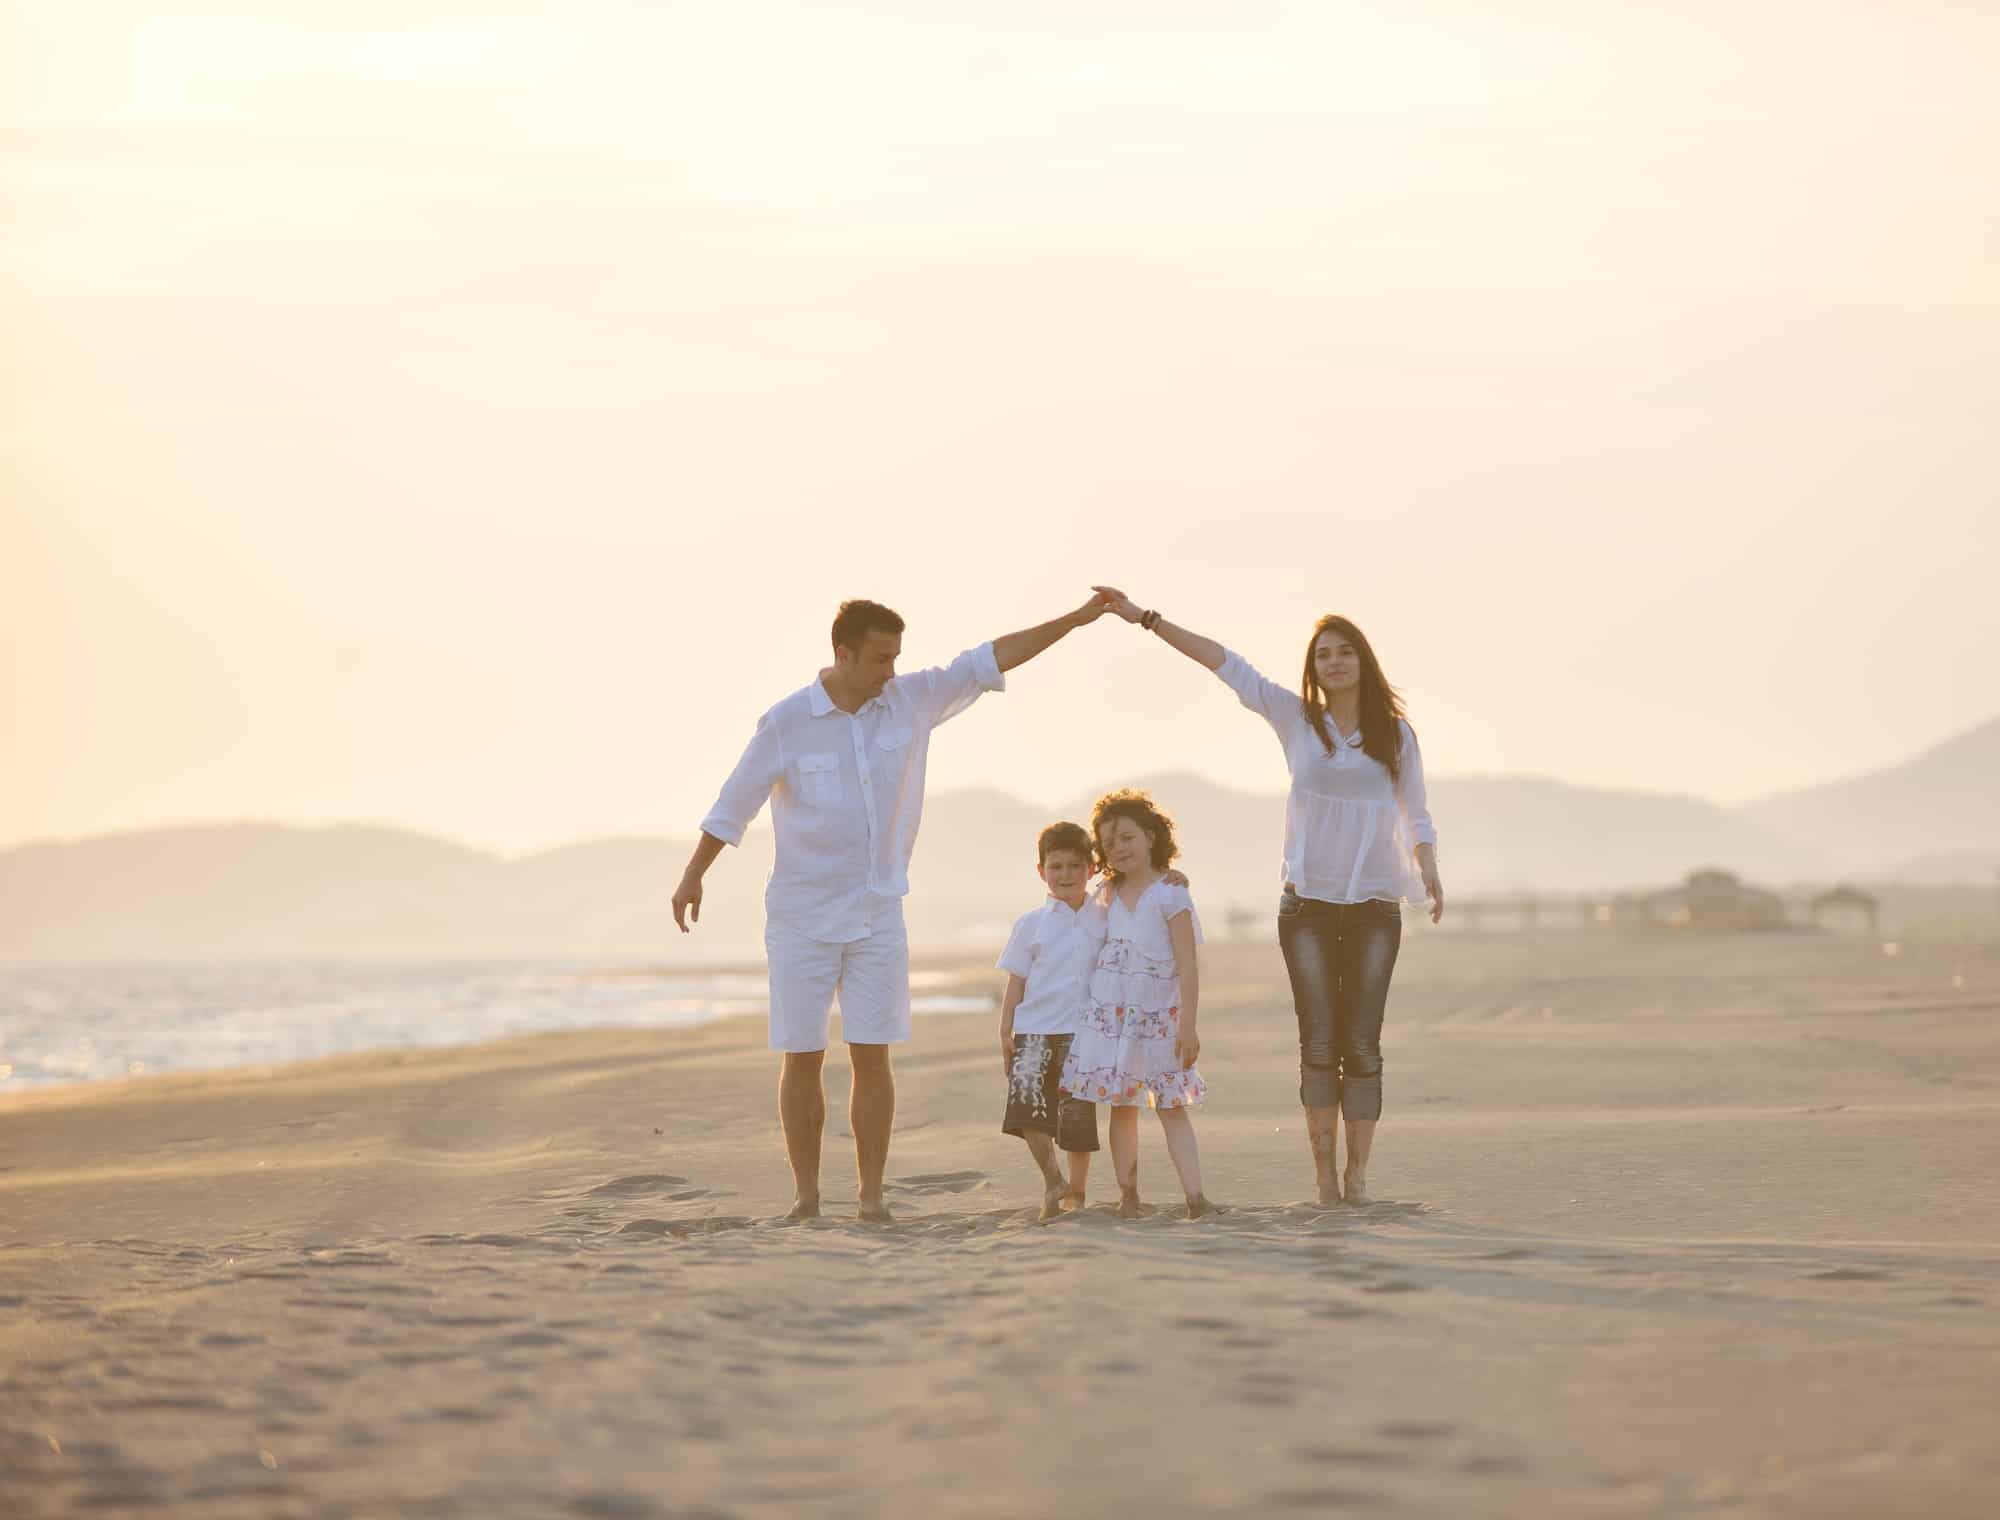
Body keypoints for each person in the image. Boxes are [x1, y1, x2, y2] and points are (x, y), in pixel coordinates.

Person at [673, 593, 1111, 1222]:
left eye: (897, 659)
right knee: (801, 1053)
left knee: (871, 1052)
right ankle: (806, 1197)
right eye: (880, 659)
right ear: (842, 653)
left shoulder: (910, 701)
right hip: (802, 915)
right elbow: (732, 803)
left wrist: (1075, 619)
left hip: (880, 912)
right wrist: (694, 874)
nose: (891, 673)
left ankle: (872, 1199)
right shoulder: (788, 722)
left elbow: (990, 659)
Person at [1094, 589, 1442, 1207]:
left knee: (1361, 1042)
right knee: (1318, 1042)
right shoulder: (1296, 720)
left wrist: (1429, 869)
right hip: (1305, 904)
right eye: (1323, 656)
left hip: (1374, 906)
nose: (1334, 663)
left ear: (1363, 661)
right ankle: (1323, 1180)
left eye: (1344, 653)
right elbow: (1226, 664)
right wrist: (1146, 618)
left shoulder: (1396, 735)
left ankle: (1357, 1176)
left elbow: (1416, 811)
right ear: (1313, 670)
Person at [1060, 788, 1212, 1220]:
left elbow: (1188, 965)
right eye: (1109, 843)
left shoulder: (1171, 893)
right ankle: (1128, 1196)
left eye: (1127, 837)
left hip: (1159, 1020)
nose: (1119, 848)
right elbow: (1073, 916)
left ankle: (1196, 1199)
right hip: (1111, 1019)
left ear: (1150, 835)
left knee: (1171, 1105)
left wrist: (1189, 1024)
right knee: (1121, 1105)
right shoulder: (1107, 893)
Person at [995, 821, 1105, 1221]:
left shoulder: (1105, 916)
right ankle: (1052, 1180)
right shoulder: (1030, 924)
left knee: (1076, 1118)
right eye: (1055, 867)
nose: (1065, 875)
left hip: (1083, 1033)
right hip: (1032, 1031)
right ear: (1041, 871)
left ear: (1092, 868)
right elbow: (1016, 980)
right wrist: (1005, 1030)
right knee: (1026, 1111)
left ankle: (1075, 1195)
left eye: (1075, 866)